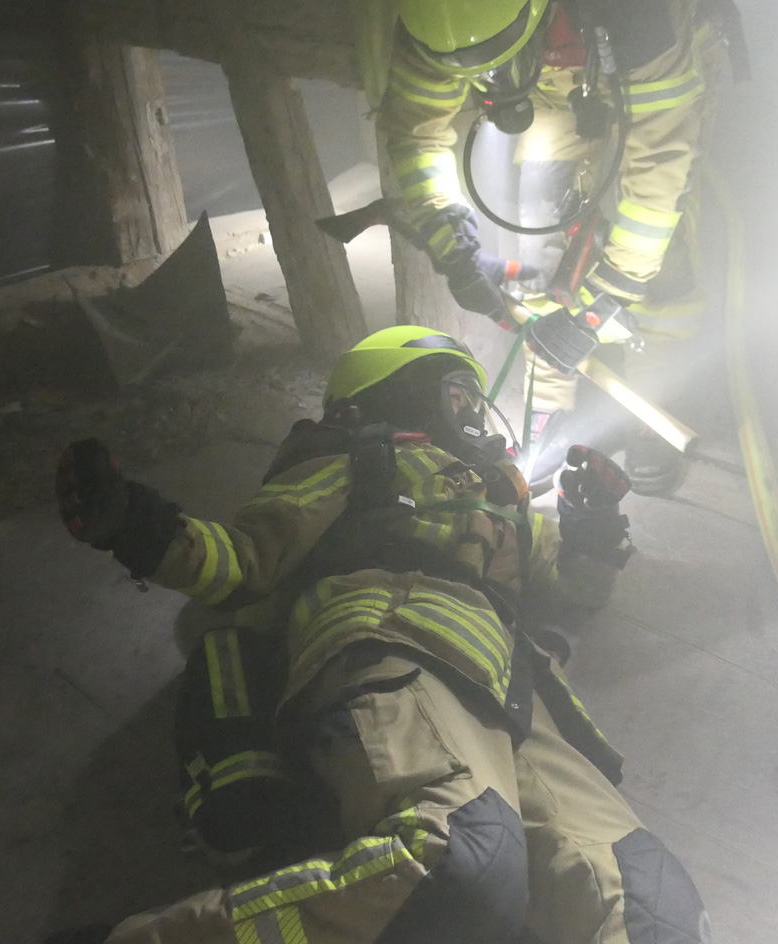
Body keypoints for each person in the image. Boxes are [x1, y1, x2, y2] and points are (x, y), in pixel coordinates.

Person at [53, 326, 711, 944]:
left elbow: (575, 590)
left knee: (654, 908)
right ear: (398, 391)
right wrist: (137, 525)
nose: (473, 413)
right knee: (461, 860)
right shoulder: (361, 462)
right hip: (401, 643)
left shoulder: (500, 499)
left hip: (514, 693)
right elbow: (244, 558)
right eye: (457, 394)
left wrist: (592, 529)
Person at [378, 0, 744, 496]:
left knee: (664, 246)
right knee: (538, 231)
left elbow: (660, 159)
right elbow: (415, 133)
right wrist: (451, 241)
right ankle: (547, 410)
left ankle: (654, 399)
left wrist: (608, 296)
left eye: (490, 63)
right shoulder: (441, 3)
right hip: (551, 64)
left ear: (537, 6)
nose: (477, 81)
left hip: (649, 54)